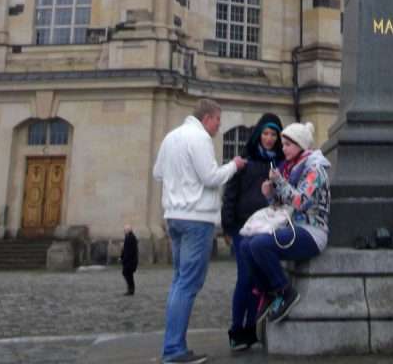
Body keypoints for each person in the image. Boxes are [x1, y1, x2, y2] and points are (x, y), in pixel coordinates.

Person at [153, 98, 247, 364]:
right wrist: (235, 165)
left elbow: (157, 173)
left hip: (174, 216)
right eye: (218, 120)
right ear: (207, 118)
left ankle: (172, 345)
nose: (219, 126)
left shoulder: (171, 137)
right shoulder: (200, 138)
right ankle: (173, 350)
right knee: (188, 283)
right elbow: (211, 177)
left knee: (179, 281)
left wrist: (178, 183)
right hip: (196, 218)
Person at [239, 121, 330, 326]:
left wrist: (279, 182)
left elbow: (299, 201)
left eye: (288, 144)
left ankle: (285, 291)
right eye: (283, 144)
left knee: (259, 245)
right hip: (292, 227)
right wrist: (270, 194)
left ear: (300, 145)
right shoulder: (293, 167)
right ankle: (268, 292)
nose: (283, 148)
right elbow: (283, 205)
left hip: (312, 231)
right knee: (245, 245)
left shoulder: (315, 169)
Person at [221, 113, 284, 351]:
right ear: (259, 135)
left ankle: (251, 328)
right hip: (242, 227)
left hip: (267, 228)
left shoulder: (279, 163)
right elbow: (230, 194)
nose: (269, 138)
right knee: (245, 278)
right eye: (266, 133)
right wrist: (227, 226)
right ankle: (238, 329)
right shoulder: (245, 161)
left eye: (273, 134)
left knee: (260, 280)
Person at [121, 224, 139, 296]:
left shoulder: (131, 238)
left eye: (125, 230)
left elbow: (129, 251)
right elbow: (125, 250)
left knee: (128, 274)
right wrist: (122, 257)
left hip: (130, 261)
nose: (124, 231)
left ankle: (131, 289)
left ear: (129, 230)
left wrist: (124, 258)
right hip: (129, 260)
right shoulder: (128, 237)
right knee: (127, 274)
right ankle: (130, 289)